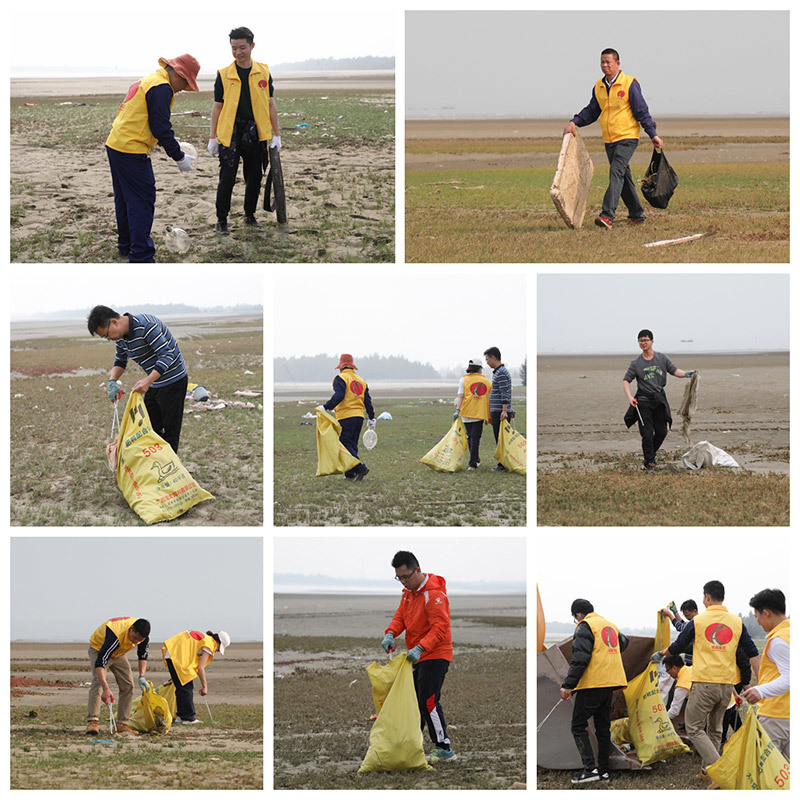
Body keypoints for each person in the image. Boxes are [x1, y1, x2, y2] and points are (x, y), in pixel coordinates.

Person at [660, 580, 760, 782]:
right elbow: (752, 653)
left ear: (706, 597)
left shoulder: (698, 621)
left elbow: (679, 644)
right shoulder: (736, 622)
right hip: (726, 687)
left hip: (705, 683)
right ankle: (708, 773)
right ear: (722, 597)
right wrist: (761, 685)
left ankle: (721, 772)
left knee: (694, 727)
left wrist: (663, 652)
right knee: (715, 729)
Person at [105, 55, 200, 262]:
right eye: (185, 82)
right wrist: (179, 156)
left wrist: (170, 141)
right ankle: (141, 254)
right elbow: (160, 127)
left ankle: (126, 245)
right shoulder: (161, 87)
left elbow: (148, 119)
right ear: (177, 73)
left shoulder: (150, 80)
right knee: (142, 200)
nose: (183, 88)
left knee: (125, 199)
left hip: (116, 143)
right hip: (131, 148)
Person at [563, 48, 663, 229]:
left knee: (616, 171)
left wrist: (653, 134)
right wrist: (574, 122)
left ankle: (607, 215)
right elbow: (592, 110)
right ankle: (637, 214)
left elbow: (642, 112)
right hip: (610, 140)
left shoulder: (630, 84)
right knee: (623, 176)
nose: (605, 65)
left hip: (627, 138)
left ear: (618, 64)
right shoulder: (599, 86)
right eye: (602, 62)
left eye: (608, 62)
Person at [382, 551, 455, 764]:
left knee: (428, 700)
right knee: (414, 701)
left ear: (418, 570)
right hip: (418, 655)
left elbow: (440, 628)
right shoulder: (408, 593)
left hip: (436, 654)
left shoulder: (434, 595)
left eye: (406, 576)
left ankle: (444, 747)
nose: (403, 582)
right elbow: (400, 617)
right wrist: (390, 633)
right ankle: (413, 742)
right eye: (399, 578)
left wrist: (421, 648)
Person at [208, 26, 281, 235]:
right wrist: (212, 137)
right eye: (233, 48)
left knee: (254, 177)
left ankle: (249, 215)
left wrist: (276, 134)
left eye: (242, 47)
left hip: (255, 131)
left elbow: (270, 104)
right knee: (227, 178)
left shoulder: (263, 72)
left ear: (252, 46)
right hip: (230, 132)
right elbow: (217, 107)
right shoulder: (223, 75)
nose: (238, 52)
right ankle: (221, 220)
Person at [88, 305, 188, 453]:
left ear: (114, 322)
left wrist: (147, 381)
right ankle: (156, 463)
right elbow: (121, 361)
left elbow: (167, 355)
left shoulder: (147, 325)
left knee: (170, 432)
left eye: (106, 335)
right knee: (149, 428)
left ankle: (169, 470)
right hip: (154, 383)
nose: (109, 339)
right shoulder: (121, 338)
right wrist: (112, 381)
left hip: (173, 380)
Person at [560, 599, 629, 785]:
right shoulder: (610, 626)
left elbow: (580, 658)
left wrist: (568, 685)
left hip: (593, 684)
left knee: (578, 725)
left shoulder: (585, 627)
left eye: (575, 618)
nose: (577, 621)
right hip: (610, 685)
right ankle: (604, 771)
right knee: (602, 729)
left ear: (578, 615)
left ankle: (590, 769)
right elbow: (625, 642)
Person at [623, 329, 695, 472]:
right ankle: (649, 463)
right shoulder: (636, 363)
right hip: (643, 401)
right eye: (640, 340)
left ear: (652, 341)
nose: (643, 343)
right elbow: (626, 380)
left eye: (646, 340)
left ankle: (648, 457)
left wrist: (687, 374)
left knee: (662, 432)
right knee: (647, 434)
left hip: (659, 399)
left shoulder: (662, 358)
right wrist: (630, 397)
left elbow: (675, 371)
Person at [743, 588, 790, 761]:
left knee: (771, 767)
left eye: (757, 616)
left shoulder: (778, 641)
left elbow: (790, 678)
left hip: (775, 715)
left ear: (766, 613)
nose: (759, 622)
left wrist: (760, 691)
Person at [86, 617, 151, 736]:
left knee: (128, 685)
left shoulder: (143, 638)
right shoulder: (115, 636)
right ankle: (92, 722)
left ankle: (122, 724)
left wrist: (142, 676)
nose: (136, 642)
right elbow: (100, 662)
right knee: (98, 682)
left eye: (139, 640)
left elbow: (142, 655)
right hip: (99, 648)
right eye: (135, 638)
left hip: (119, 653)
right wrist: (106, 689)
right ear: (131, 629)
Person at [318, 354, 375, 481]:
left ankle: (360, 467)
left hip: (346, 416)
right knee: (352, 444)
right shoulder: (361, 380)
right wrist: (371, 417)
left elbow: (339, 396)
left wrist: (326, 406)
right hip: (359, 416)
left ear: (341, 367)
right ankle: (350, 474)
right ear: (352, 366)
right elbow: (368, 401)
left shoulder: (341, 378)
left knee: (344, 444)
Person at [161, 629, 230, 724]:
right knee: (186, 688)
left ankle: (181, 716)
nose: (217, 650)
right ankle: (188, 718)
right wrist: (204, 687)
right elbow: (200, 667)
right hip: (177, 657)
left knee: (181, 688)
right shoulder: (209, 644)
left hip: (171, 654)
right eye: (219, 648)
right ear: (218, 643)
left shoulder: (206, 639)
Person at [454, 357, 492, 470]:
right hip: (479, 414)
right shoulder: (485, 381)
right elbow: (490, 395)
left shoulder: (463, 380)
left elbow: (460, 396)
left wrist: (458, 410)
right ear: (480, 368)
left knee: (470, 437)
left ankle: (476, 460)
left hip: (466, 412)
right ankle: (472, 463)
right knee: (475, 438)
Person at [483, 346, 514, 471]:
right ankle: (503, 463)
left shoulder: (501, 373)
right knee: (499, 438)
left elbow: (504, 392)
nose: (486, 362)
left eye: (487, 359)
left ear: (493, 357)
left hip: (499, 412)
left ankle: (503, 464)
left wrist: (505, 410)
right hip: (497, 411)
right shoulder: (499, 372)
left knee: (501, 439)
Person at [661, 600, 699, 665]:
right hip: (692, 660)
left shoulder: (696, 623)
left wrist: (669, 614)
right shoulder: (694, 622)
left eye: (688, 615)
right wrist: (675, 612)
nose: (687, 618)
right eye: (685, 616)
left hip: (695, 662)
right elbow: (684, 625)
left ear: (695, 611)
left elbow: (681, 627)